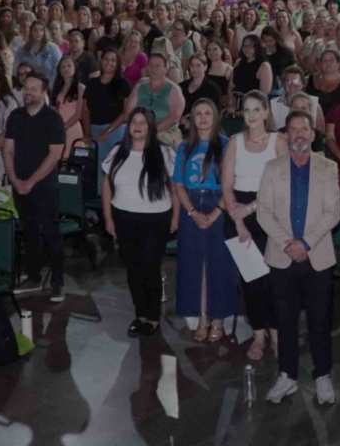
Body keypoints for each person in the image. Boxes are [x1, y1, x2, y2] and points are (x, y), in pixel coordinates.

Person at [258, 111, 340, 404]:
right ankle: (287, 376)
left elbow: (333, 213)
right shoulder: (271, 168)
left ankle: (322, 376)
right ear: (286, 135)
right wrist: (288, 244)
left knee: (319, 320)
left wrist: (305, 243)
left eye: (304, 129)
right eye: (293, 130)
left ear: (312, 133)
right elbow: (263, 212)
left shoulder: (328, 167)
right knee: (285, 320)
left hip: (317, 255)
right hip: (282, 257)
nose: (299, 135)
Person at [102, 107, 178, 335]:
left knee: (149, 267)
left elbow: (175, 188)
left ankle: (153, 316)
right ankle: (140, 314)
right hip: (124, 217)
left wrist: (177, 217)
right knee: (133, 269)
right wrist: (107, 217)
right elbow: (106, 185)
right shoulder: (118, 151)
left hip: (156, 219)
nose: (137, 126)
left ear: (150, 127)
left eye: (142, 122)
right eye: (133, 121)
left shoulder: (163, 152)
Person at [173, 99, 239, 337]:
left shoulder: (225, 144)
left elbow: (231, 184)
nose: (202, 118)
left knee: (219, 264)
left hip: (217, 202)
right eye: (198, 113)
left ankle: (218, 319)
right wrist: (191, 212)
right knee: (195, 265)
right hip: (191, 204)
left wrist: (215, 212)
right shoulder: (185, 147)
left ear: (215, 117)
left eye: (207, 113)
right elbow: (178, 183)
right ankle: (202, 317)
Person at [221, 94, 280, 356]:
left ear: (267, 112)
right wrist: (239, 220)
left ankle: (277, 335)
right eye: (247, 110)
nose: (252, 115)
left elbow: (282, 185)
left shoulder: (279, 141)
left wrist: (252, 209)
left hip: (271, 213)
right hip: (238, 213)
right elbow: (226, 185)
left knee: (274, 280)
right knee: (252, 281)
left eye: (257, 109)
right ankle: (258, 336)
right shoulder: (234, 142)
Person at [3, 73, 68, 301]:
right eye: (26, 88)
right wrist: (14, 179)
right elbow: (8, 149)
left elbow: (55, 155)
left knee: (51, 232)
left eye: (34, 88)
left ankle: (58, 280)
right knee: (29, 232)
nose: (28, 92)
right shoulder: (15, 116)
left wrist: (31, 182)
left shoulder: (53, 118)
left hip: (44, 185)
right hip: (19, 183)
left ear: (43, 93)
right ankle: (33, 276)